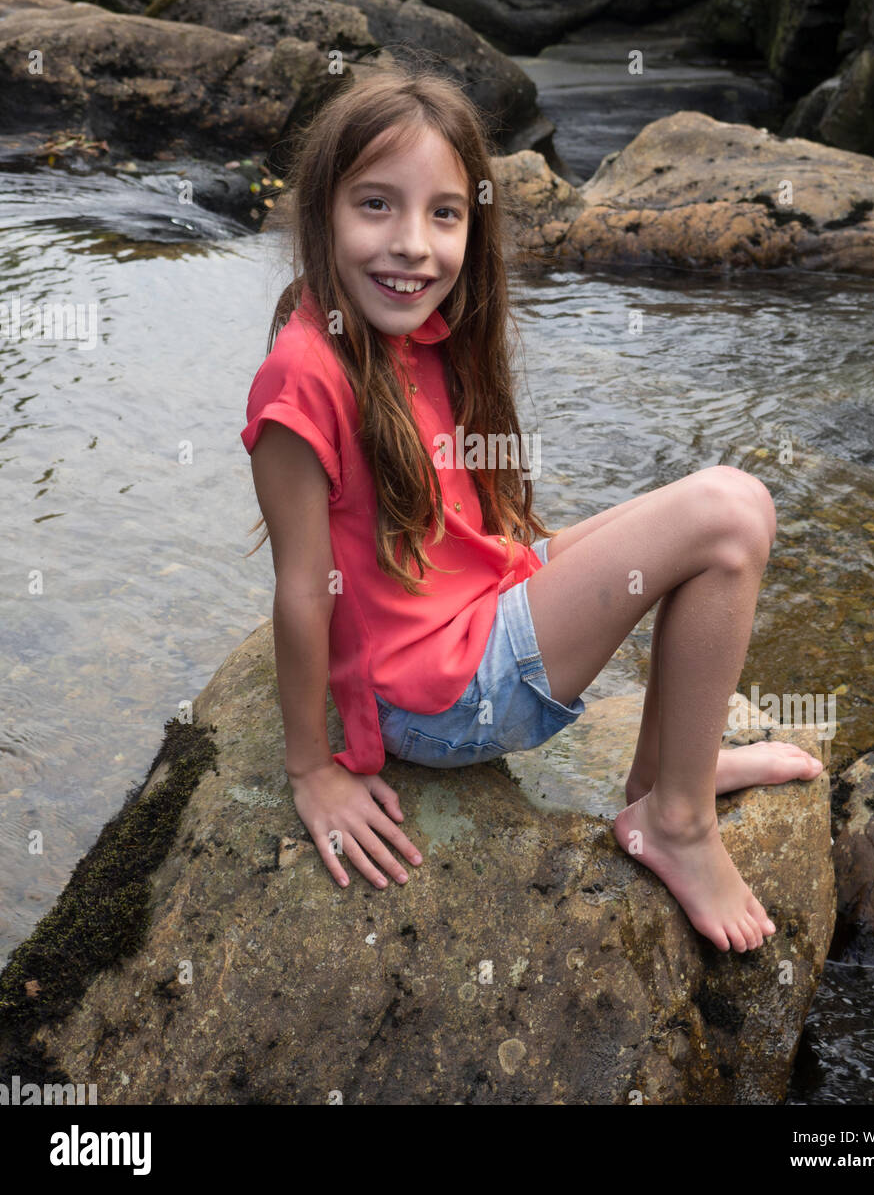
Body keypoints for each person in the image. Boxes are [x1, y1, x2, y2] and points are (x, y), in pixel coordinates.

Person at [241, 64, 823, 954]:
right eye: (375, 206)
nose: (412, 245)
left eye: (443, 214)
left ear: (474, 227)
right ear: (321, 209)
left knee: (695, 512)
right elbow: (299, 589)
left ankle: (671, 777)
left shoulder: (418, 336)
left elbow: (460, 526)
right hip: (439, 699)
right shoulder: (302, 372)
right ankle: (677, 823)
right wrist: (312, 769)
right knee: (730, 512)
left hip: (468, 617)